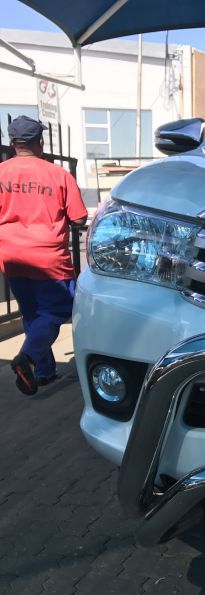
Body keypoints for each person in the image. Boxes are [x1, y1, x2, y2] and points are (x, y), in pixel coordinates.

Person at [0, 116, 87, 395]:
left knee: (32, 314)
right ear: (40, 141)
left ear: (13, 143)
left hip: (11, 256)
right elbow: (78, 217)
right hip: (49, 259)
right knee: (58, 310)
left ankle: (44, 371)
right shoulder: (59, 175)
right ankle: (26, 359)